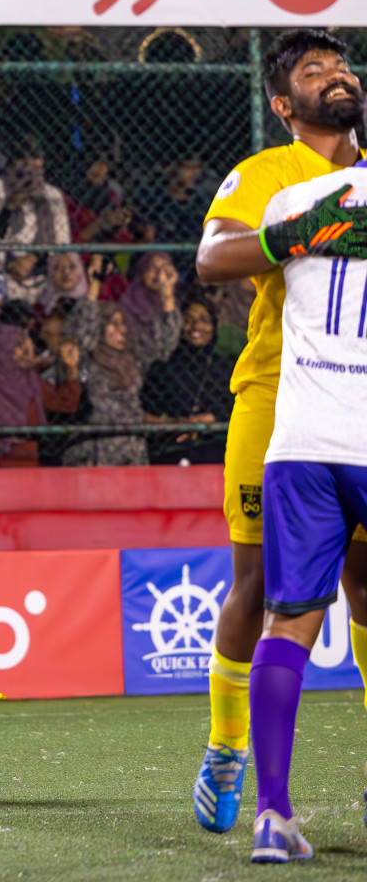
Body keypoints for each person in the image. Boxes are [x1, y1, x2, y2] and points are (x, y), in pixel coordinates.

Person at [192, 29, 367, 834]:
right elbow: (212, 259)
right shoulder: (267, 175)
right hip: (280, 400)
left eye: (340, 65)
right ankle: (229, 747)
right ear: (281, 102)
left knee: (365, 586)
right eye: (311, 70)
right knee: (259, 583)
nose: (335, 76)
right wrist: (291, 236)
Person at [243, 164, 367, 863]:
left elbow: (239, 265)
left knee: (287, 622)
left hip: (301, 442)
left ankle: (272, 816)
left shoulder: (298, 200)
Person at [0, 299, 81, 468]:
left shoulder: (31, 382)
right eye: (17, 345)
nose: (27, 349)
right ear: (4, 349)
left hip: (26, 460)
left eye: (27, 342)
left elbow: (66, 402)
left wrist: (71, 369)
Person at [61, 298, 178, 467]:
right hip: (95, 449)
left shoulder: (133, 360)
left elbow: (162, 345)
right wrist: (93, 289)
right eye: (113, 324)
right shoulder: (87, 365)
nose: (122, 330)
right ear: (99, 327)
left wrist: (166, 296)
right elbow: (79, 338)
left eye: (123, 323)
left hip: (131, 448)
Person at [142, 296, 233, 466]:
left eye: (203, 320)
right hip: (170, 447)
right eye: (188, 320)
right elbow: (146, 414)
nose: (196, 326)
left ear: (213, 327)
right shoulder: (163, 368)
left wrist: (208, 421)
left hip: (214, 447)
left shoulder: (225, 368)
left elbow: (234, 408)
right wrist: (180, 424)